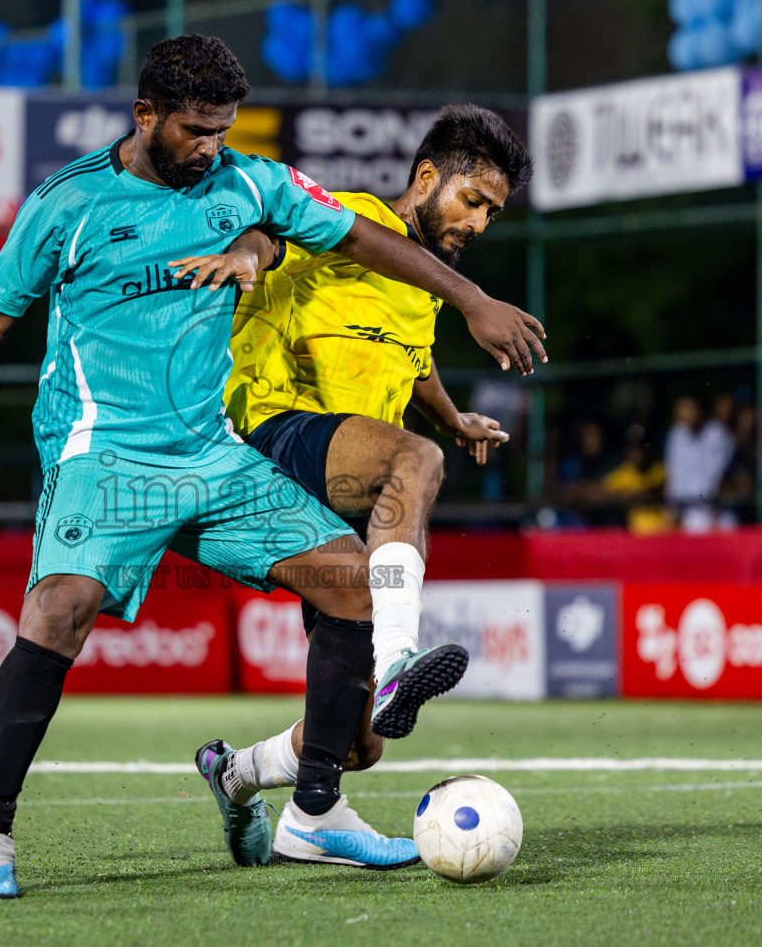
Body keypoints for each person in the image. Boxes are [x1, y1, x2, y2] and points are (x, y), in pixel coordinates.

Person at [0, 36, 547, 897]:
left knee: (350, 585)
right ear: (145, 116)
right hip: (104, 451)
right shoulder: (68, 203)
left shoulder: (247, 180)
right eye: (196, 131)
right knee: (60, 610)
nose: (211, 149)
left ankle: (313, 815)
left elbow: (356, 239)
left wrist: (472, 301)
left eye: (223, 131)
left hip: (212, 454)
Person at [169, 105, 536, 867]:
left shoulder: (427, 283)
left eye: (494, 213)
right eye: (473, 200)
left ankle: (237, 774)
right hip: (272, 428)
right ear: (427, 177)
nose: (480, 222)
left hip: (341, 477)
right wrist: (248, 252)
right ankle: (401, 657)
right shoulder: (358, 219)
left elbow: (412, 359)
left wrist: (453, 415)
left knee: (354, 741)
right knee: (419, 463)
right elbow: (276, 234)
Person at [663, 394, 735, 533]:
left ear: (700, 409)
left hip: (716, 509)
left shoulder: (717, 432)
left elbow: (715, 474)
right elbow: (674, 474)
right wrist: (672, 511)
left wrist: (710, 511)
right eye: (681, 410)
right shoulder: (676, 434)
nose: (685, 414)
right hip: (686, 510)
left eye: (688, 409)